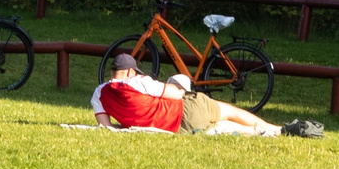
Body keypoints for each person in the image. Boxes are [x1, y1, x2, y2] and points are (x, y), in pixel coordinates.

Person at [92, 52, 286, 135]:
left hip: (179, 128)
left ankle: (260, 131)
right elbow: (176, 94)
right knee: (228, 111)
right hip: (185, 109)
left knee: (220, 125)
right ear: (130, 72)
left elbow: (107, 125)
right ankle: (273, 128)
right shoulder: (138, 82)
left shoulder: (99, 94)